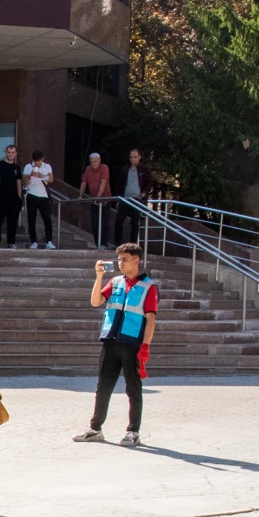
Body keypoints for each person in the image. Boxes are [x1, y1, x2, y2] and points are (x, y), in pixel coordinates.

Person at [74, 243, 157, 447]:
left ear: (136, 260)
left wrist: (145, 346)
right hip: (110, 342)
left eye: (125, 259)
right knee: (103, 387)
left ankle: (133, 432)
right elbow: (95, 302)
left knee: (133, 389)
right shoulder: (115, 282)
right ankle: (95, 429)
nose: (121, 262)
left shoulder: (149, 287)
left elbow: (151, 319)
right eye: (119, 259)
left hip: (132, 344)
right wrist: (99, 276)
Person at [115, 149, 152, 245]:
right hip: (125, 199)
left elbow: (149, 182)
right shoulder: (125, 169)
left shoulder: (144, 169)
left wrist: (143, 194)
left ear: (139, 157)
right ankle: (118, 243)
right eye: (131, 157)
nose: (133, 159)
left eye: (135, 157)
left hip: (137, 199)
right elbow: (120, 185)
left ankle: (133, 244)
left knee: (135, 222)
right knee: (119, 220)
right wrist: (119, 199)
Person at [24, 150, 56, 249]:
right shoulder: (28, 167)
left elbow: (51, 180)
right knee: (31, 219)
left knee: (47, 219)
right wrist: (31, 175)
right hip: (32, 194)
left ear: (42, 159)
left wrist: (42, 176)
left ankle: (49, 241)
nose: (37, 163)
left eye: (38, 161)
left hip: (43, 196)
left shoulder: (47, 166)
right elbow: (24, 181)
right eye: (35, 161)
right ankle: (33, 241)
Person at [80, 152, 112, 249]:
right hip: (94, 200)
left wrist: (98, 197)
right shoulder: (88, 169)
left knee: (104, 223)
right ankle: (97, 244)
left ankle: (104, 244)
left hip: (105, 199)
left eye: (95, 161)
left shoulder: (104, 168)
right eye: (92, 162)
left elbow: (103, 182)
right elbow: (84, 182)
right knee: (94, 223)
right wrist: (80, 196)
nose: (93, 164)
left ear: (99, 161)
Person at [0, 144, 23, 249]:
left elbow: (19, 182)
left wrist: (19, 197)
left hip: (14, 199)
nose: (10, 154)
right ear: (6, 153)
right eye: (9, 152)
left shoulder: (17, 167)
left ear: (15, 154)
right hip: (0, 198)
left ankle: (11, 242)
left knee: (12, 222)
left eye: (12, 152)